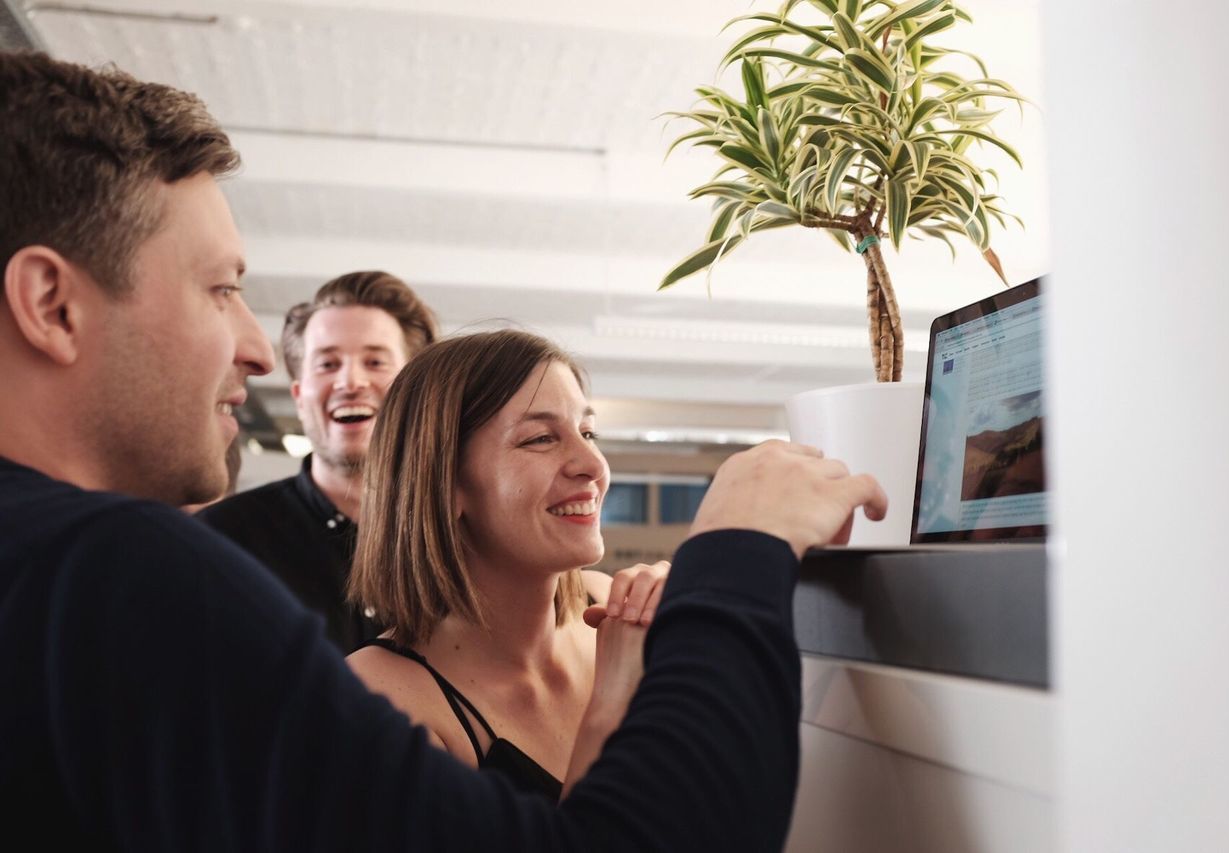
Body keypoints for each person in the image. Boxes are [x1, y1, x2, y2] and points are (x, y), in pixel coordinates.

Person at [0, 50, 888, 850]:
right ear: (50, 302)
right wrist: (738, 552)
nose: (260, 350)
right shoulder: (116, 573)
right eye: (219, 289)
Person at [346, 330, 669, 800]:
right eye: (540, 439)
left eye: (587, 433)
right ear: (446, 482)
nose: (592, 463)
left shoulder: (608, 606)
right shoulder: (377, 703)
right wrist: (614, 700)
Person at [198, 270, 437, 650]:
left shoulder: (467, 543)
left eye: (375, 362)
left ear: (417, 392)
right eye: (327, 364)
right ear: (298, 395)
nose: (350, 382)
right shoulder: (219, 544)